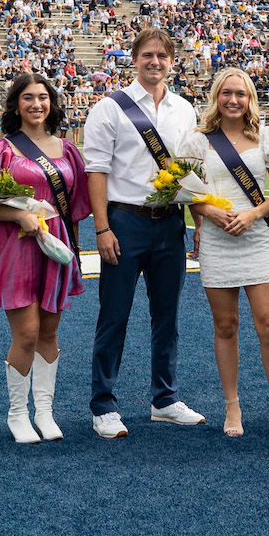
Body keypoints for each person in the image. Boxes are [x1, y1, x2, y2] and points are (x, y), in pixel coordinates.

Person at [83, 27, 204, 439]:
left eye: (163, 56)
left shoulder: (184, 109)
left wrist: (198, 223)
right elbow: (96, 171)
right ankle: (103, 404)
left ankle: (164, 399)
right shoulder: (109, 108)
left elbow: (191, 171)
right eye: (148, 55)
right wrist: (102, 228)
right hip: (124, 222)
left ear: (173, 61)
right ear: (134, 58)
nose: (155, 62)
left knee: (166, 315)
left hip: (170, 223)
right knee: (114, 314)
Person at [0, 73, 91, 443]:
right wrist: (18, 215)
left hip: (56, 244)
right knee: (28, 332)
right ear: (15, 104)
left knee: (50, 332)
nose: (37, 104)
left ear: (52, 103)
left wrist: (75, 255)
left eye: (43, 97)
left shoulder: (67, 150)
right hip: (16, 246)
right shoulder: (0, 148)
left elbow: (75, 210)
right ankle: (18, 415)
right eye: (28, 97)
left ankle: (46, 413)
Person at [180, 68, 269, 439]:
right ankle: (232, 406)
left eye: (240, 94)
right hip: (216, 240)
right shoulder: (197, 142)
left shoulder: (268, 138)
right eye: (226, 93)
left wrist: (253, 214)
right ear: (216, 96)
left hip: (256, 237)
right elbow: (188, 192)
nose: (233, 100)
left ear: (250, 98)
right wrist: (206, 212)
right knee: (225, 327)